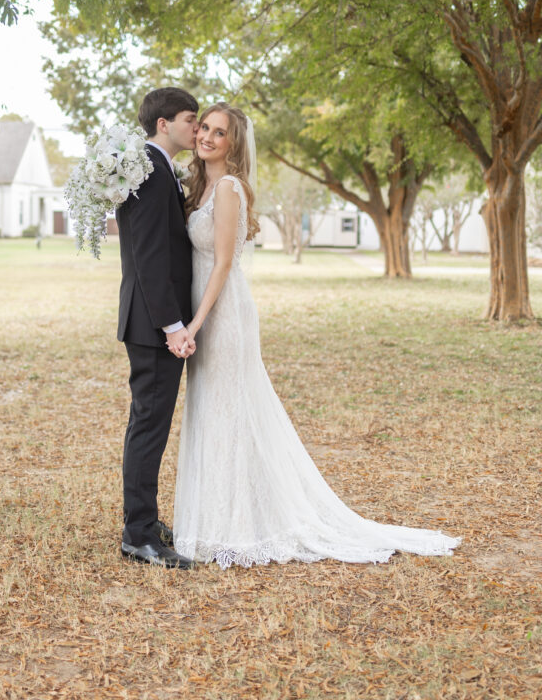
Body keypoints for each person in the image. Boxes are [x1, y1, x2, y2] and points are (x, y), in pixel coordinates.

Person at [174, 102, 461, 569]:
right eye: (203, 127)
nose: (206, 136)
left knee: (231, 413)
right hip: (204, 309)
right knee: (213, 410)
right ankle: (215, 518)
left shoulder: (227, 189)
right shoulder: (199, 186)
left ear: (233, 143)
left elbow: (224, 264)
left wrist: (195, 323)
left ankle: (235, 527)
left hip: (223, 314)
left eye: (218, 132)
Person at [116, 87, 199, 569]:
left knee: (145, 424)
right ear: (164, 124)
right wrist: (172, 325)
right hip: (152, 325)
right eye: (191, 118)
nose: (197, 127)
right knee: (149, 427)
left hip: (149, 322)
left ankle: (142, 520)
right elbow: (149, 257)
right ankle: (138, 535)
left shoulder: (156, 168)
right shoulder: (147, 171)